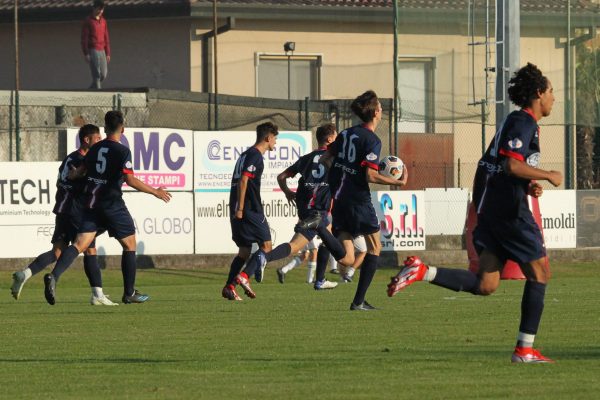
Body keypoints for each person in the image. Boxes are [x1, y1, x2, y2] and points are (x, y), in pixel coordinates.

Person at [388, 63, 562, 363]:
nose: (553, 98)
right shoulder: (524, 122)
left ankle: (422, 271)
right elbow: (509, 165)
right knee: (540, 273)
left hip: (491, 213)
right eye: (550, 92)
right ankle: (524, 350)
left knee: (486, 284)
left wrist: (529, 182)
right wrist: (548, 174)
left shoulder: (514, 122)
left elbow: (497, 166)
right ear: (538, 93)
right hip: (509, 214)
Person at [43, 111, 172, 305]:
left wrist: (73, 175)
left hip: (91, 204)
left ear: (104, 128)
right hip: (112, 204)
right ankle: (129, 293)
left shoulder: (95, 148)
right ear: (123, 128)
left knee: (80, 244)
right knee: (129, 245)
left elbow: (80, 171)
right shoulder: (122, 151)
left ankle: (54, 276)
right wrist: (156, 192)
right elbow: (130, 180)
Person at [319, 91, 407, 310]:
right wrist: (398, 183)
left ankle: (320, 229)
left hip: (338, 198)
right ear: (376, 112)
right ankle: (358, 301)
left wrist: (339, 176)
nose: (382, 110)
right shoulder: (372, 140)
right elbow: (370, 175)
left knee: (347, 259)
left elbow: (324, 158)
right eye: (380, 106)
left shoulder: (347, 133)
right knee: (374, 247)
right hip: (358, 200)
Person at [243, 123, 356, 292]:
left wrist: (288, 192)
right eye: (336, 136)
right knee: (347, 259)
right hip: (320, 211)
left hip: (306, 211)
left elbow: (282, 177)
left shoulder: (306, 159)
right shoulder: (336, 159)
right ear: (330, 139)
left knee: (295, 246)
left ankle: (265, 256)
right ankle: (319, 276)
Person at [11, 125, 114, 305]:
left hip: (62, 209)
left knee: (57, 252)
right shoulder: (84, 161)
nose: (99, 142)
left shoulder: (69, 158)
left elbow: (61, 181)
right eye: (97, 139)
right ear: (86, 140)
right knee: (89, 249)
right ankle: (96, 294)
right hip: (77, 211)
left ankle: (24, 274)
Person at [221, 122, 279, 301]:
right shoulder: (255, 155)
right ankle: (245, 276)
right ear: (268, 137)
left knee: (244, 251)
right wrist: (241, 208)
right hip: (249, 209)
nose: (275, 143)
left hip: (237, 207)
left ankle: (230, 287)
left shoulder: (245, 154)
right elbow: (244, 180)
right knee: (267, 246)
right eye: (275, 139)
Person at [82, 0, 110, 89]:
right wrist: (86, 53)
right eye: (99, 9)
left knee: (103, 74)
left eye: (102, 10)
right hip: (93, 49)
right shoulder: (88, 21)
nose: (101, 11)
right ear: (94, 8)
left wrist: (108, 53)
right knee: (96, 75)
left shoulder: (103, 21)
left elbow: (106, 37)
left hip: (102, 50)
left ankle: (91, 89)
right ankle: (98, 94)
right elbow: (84, 38)